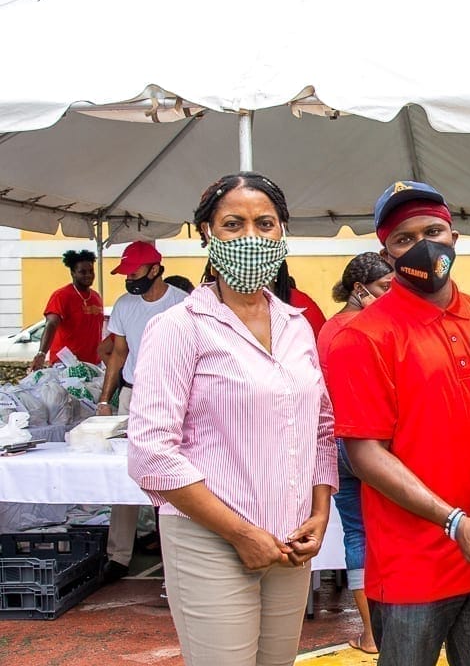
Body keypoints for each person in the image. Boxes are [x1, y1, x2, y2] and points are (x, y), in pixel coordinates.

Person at [127, 172, 337, 666]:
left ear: (282, 234)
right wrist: (241, 533)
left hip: (290, 540)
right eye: (233, 224)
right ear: (206, 234)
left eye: (265, 224)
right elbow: (151, 453)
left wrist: (321, 510)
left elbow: (322, 427)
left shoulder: (296, 324)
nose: (251, 238)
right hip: (211, 539)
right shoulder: (178, 328)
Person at [324, 180, 470, 666]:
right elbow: (365, 454)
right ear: (387, 252)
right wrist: (451, 519)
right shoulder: (364, 336)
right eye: (405, 238)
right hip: (412, 563)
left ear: (454, 237)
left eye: (434, 230)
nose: (424, 246)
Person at [95, 241, 189, 583]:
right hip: (133, 395)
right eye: (124, 274)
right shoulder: (124, 305)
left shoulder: (182, 303)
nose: (128, 280)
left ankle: (173, 556)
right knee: (125, 474)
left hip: (172, 397)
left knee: (170, 477)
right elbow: (118, 353)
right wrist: (106, 398)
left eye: (133, 273)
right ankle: (118, 555)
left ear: (154, 269)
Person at [315, 252, 394, 656]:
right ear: (359, 291)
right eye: (385, 287)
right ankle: (393, 626)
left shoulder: (329, 328)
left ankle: (370, 633)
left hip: (336, 443)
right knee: (390, 530)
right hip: (371, 442)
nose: (392, 294)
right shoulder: (370, 328)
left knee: (357, 534)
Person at [29, 249, 104, 370]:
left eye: (91, 271)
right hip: (66, 364)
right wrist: (41, 353)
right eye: (83, 272)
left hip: (93, 364)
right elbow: (51, 324)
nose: (88, 275)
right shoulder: (61, 296)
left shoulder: (96, 297)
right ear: (73, 273)